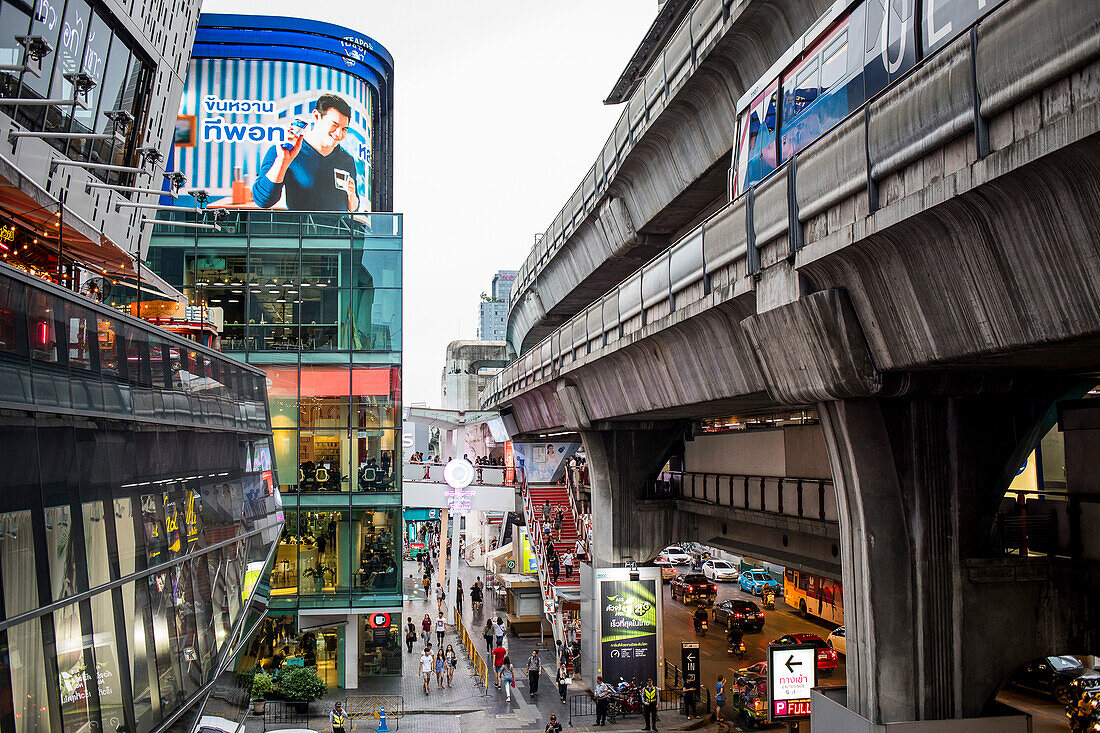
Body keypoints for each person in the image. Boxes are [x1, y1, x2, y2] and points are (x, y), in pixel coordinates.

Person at [252, 94, 361, 211]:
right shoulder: (284, 152)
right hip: (301, 228)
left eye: (344, 129)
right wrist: (282, 161)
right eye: (334, 125)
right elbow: (263, 201)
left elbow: (353, 208)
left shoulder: (347, 159)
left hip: (339, 228)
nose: (339, 134)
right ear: (316, 116)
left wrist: (352, 194)